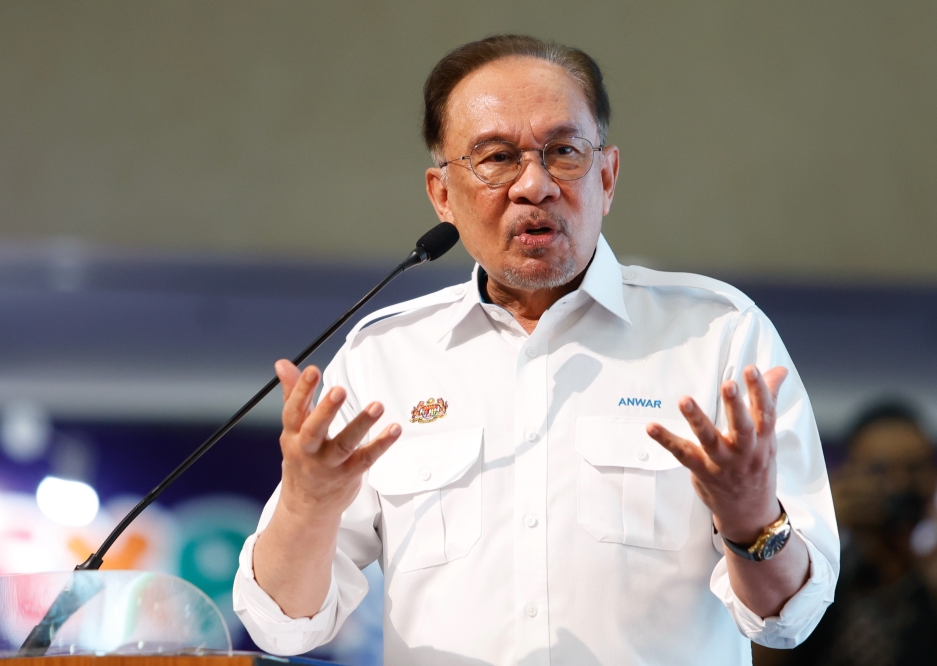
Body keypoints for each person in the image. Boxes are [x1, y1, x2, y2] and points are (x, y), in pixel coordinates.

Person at [233, 35, 839, 665]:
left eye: (564, 152)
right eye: (496, 157)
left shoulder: (716, 334)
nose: (536, 185)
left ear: (606, 178)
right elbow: (285, 627)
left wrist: (751, 521)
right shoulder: (383, 356)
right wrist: (306, 504)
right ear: (442, 194)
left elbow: (790, 618)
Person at [754, 402, 937, 666]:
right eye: (878, 470)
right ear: (846, 475)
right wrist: (821, 536)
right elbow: (758, 657)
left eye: (914, 469)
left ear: (936, 478)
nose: (899, 485)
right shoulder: (820, 569)